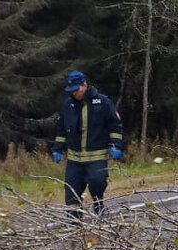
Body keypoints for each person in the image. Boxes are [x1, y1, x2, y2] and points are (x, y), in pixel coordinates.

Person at [52, 69, 124, 220]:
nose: (74, 93)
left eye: (77, 90)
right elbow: (61, 129)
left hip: (96, 157)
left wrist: (115, 146)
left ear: (84, 85)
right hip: (74, 160)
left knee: (97, 181)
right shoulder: (67, 105)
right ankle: (74, 223)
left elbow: (115, 126)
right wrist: (57, 149)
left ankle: (98, 203)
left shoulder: (102, 102)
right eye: (71, 91)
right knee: (71, 192)